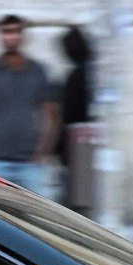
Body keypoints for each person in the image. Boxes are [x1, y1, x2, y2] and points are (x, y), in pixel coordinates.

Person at [0, 15, 61, 199]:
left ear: (23, 36)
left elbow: (51, 115)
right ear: (0, 36)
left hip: (32, 164)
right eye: (7, 32)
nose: (11, 37)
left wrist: (42, 154)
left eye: (16, 31)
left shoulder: (38, 71)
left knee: (40, 216)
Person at [56, 25, 93, 203]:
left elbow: (68, 112)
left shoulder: (80, 75)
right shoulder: (89, 72)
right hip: (80, 145)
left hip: (79, 146)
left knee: (79, 198)